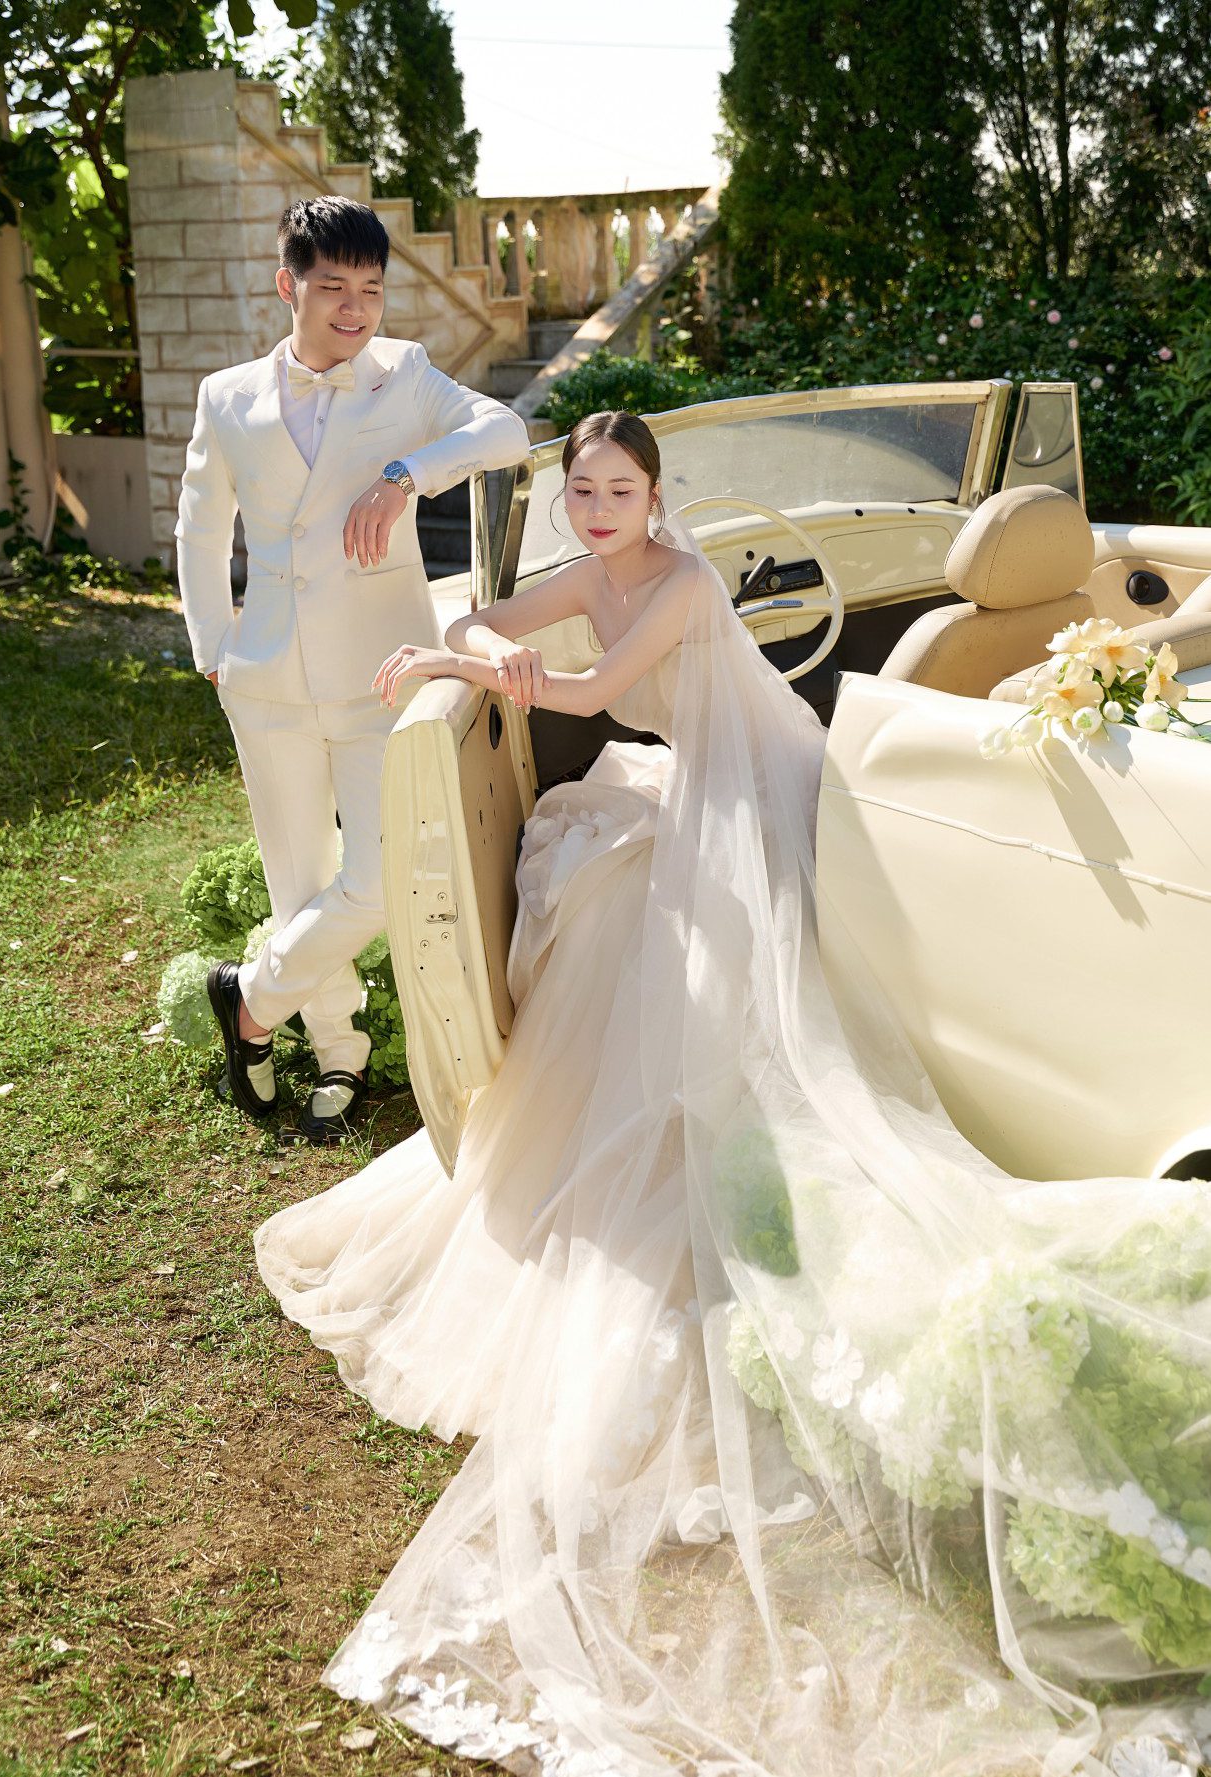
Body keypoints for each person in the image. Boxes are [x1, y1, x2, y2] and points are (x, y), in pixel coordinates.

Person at [255, 411, 1211, 1775]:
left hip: (757, 788)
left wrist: (476, 662)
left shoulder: (687, 581)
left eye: (620, 490)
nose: (599, 509)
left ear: (658, 497)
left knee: (653, 931)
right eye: (583, 491)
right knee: (597, 882)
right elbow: (498, 615)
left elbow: (588, 693)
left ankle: (701, 1130)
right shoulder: (592, 569)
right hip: (687, 785)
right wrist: (462, 640)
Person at [175, 195, 530, 1143]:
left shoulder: (403, 375)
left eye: (371, 289)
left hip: (380, 674)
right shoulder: (227, 396)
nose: (356, 309)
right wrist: (214, 648)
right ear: (288, 286)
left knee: (377, 878)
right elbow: (201, 529)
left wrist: (405, 475)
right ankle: (339, 1052)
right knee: (298, 878)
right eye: (334, 287)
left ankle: (249, 1002)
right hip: (267, 679)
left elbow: (505, 431)